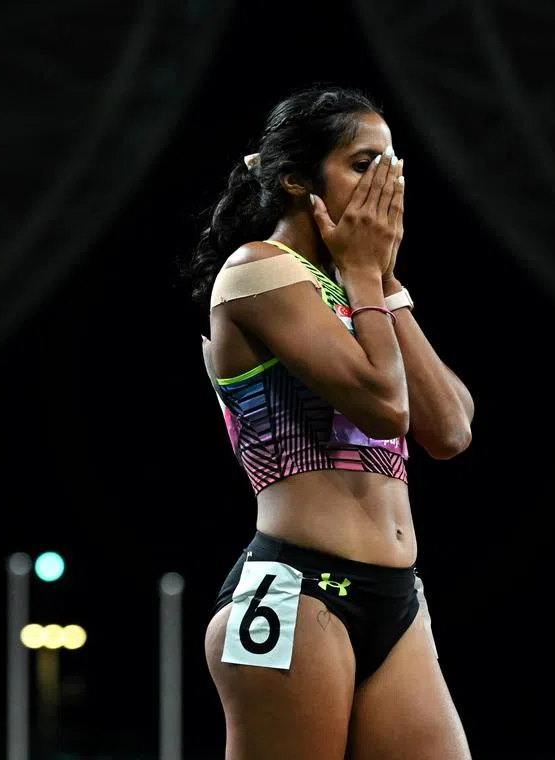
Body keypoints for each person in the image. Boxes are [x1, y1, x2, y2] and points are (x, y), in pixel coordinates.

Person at [185, 84, 475, 759]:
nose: (386, 184)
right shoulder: (257, 272)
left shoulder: (359, 285)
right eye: (363, 163)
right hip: (300, 590)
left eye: (392, 164)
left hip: (395, 595)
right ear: (295, 179)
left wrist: (384, 283)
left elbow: (450, 429)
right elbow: (384, 405)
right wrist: (367, 277)